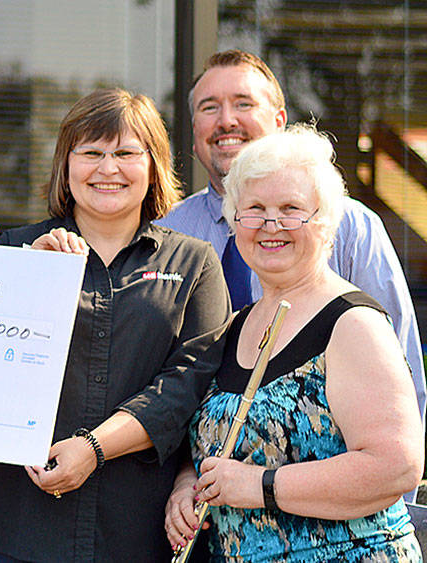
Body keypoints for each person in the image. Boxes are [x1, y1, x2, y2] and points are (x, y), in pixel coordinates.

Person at [0, 89, 230, 562]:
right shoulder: (13, 251)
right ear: (66, 164)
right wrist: (21, 279)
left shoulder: (194, 262)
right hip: (4, 530)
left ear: (154, 164)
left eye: (125, 153)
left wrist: (94, 448)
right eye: (91, 153)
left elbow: (190, 382)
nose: (108, 169)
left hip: (132, 535)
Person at [164, 124, 423, 561]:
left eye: (291, 209)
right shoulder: (235, 326)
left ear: (325, 223)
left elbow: (395, 465)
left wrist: (262, 485)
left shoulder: (352, 323)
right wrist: (187, 484)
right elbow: (220, 441)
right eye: (255, 208)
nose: (271, 224)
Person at [155, 50, 426, 432]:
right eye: (209, 107)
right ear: (194, 132)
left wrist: (398, 477)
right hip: (197, 471)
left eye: (243, 103)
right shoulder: (167, 235)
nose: (226, 120)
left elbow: (401, 365)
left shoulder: (349, 225)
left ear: (280, 120)